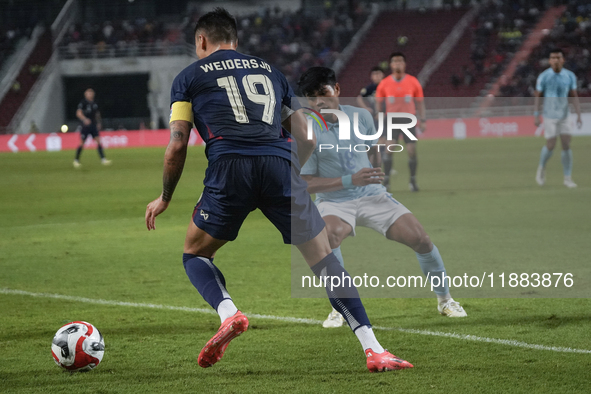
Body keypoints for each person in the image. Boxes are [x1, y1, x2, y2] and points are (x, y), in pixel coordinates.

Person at [144, 8, 413, 373]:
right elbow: (306, 134)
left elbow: (177, 145)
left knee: (195, 254)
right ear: (236, 42)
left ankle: (229, 313)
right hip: (278, 164)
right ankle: (374, 348)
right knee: (324, 259)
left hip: (229, 167)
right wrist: (295, 175)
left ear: (201, 41)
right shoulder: (270, 72)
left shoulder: (188, 77)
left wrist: (165, 197)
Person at [297, 67, 466, 328]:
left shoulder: (361, 116)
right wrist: (349, 180)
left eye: (323, 93)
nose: (318, 101)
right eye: (311, 97)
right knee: (328, 238)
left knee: (421, 238)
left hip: (373, 196)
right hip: (334, 202)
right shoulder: (307, 130)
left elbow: (373, 149)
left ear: (337, 90)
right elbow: (304, 183)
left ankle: (445, 301)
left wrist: (376, 172)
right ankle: (340, 307)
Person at [375, 52, 426, 192]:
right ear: (391, 65)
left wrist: (422, 120)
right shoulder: (384, 83)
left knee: (411, 150)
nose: (397, 63)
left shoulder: (413, 81)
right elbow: (379, 104)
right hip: (391, 120)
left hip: (408, 120)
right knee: (389, 149)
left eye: (400, 61)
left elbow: (420, 102)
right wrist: (380, 121)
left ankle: (413, 180)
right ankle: (386, 182)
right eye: (395, 61)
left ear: (404, 64)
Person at [534, 48, 582, 188]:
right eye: (553, 58)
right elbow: (538, 96)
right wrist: (536, 115)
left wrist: (578, 114)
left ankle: (567, 178)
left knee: (566, 144)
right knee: (551, 144)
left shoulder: (570, 76)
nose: (555, 60)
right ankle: (541, 167)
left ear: (562, 60)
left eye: (558, 57)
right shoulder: (543, 76)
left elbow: (574, 95)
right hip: (549, 115)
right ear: (549, 61)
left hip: (565, 115)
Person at [73, 88, 111, 168]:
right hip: (86, 126)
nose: (90, 95)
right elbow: (78, 113)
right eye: (88, 93)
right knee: (82, 143)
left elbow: (97, 114)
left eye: (91, 93)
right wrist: (84, 119)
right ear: (85, 95)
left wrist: (99, 122)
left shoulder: (94, 103)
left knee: (98, 141)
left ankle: (103, 159)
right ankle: (76, 160)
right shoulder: (83, 103)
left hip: (93, 125)